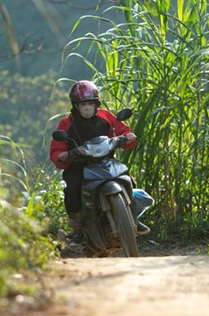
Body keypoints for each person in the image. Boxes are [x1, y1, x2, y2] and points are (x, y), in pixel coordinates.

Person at [50, 80, 150, 245]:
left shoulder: (106, 116)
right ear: (75, 106)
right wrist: (63, 155)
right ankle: (77, 228)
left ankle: (132, 217)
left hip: (106, 161)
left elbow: (124, 131)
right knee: (73, 189)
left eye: (90, 103)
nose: (87, 108)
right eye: (83, 104)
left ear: (96, 103)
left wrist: (128, 136)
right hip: (78, 167)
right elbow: (56, 151)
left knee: (128, 180)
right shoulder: (66, 123)